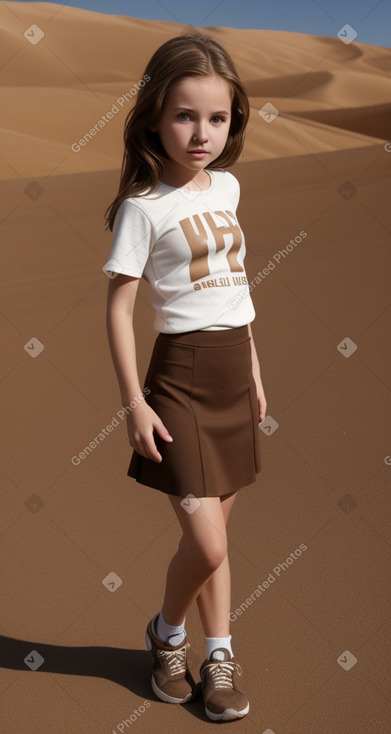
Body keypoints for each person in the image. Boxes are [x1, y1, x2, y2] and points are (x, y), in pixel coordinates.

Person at [102, 31, 267, 722]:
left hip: (234, 373)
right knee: (207, 541)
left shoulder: (226, 185)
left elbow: (235, 289)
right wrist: (134, 404)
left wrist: (255, 373)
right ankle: (167, 636)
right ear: (153, 116)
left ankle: (217, 652)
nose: (201, 133)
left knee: (212, 543)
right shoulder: (143, 206)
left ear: (233, 121)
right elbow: (117, 308)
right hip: (180, 378)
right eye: (184, 115)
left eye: (217, 118)